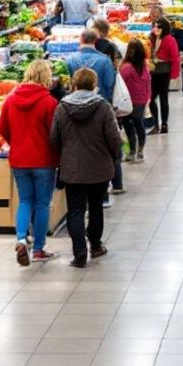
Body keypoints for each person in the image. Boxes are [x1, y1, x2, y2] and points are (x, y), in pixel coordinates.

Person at [50, 68, 122, 269]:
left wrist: (64, 154)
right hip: (99, 168)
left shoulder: (62, 108)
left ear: (74, 84)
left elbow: (54, 138)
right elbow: (114, 138)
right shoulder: (103, 107)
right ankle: (96, 245)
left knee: (75, 210)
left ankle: (79, 253)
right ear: (94, 84)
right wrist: (115, 157)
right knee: (96, 207)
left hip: (72, 169)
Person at [0, 59, 61, 265]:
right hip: (44, 160)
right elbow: (55, 133)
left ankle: (21, 238)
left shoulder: (10, 99)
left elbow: (1, 128)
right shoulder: (49, 102)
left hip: (19, 159)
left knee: (25, 201)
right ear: (46, 76)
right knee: (42, 204)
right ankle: (39, 249)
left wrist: (15, 143)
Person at [119, 39, 151, 163]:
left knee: (128, 126)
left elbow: (120, 82)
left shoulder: (126, 67)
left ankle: (131, 152)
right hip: (141, 99)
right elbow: (148, 82)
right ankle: (140, 151)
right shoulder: (144, 67)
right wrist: (148, 97)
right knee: (139, 124)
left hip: (127, 100)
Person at [148, 17, 180, 135]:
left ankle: (164, 123)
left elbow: (175, 58)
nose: (156, 28)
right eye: (155, 26)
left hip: (164, 71)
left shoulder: (169, 40)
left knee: (163, 98)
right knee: (151, 98)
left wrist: (174, 74)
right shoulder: (152, 38)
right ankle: (156, 123)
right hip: (153, 71)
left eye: (158, 27)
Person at [66, 29, 116, 103]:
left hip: (76, 103)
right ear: (95, 41)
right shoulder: (105, 60)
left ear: (81, 40)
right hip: (100, 103)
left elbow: (67, 83)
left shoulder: (70, 59)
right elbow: (109, 82)